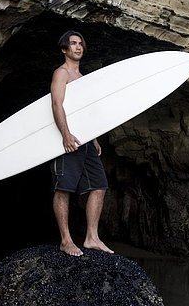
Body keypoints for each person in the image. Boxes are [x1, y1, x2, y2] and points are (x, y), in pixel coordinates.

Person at [50, 30, 114, 257]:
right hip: (67, 141)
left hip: (85, 140)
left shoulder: (83, 77)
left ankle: (91, 238)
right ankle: (66, 240)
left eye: (80, 43)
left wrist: (94, 137)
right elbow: (57, 105)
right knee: (64, 188)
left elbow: (84, 112)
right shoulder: (62, 73)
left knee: (99, 185)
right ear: (64, 49)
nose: (78, 47)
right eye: (73, 44)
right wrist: (65, 134)